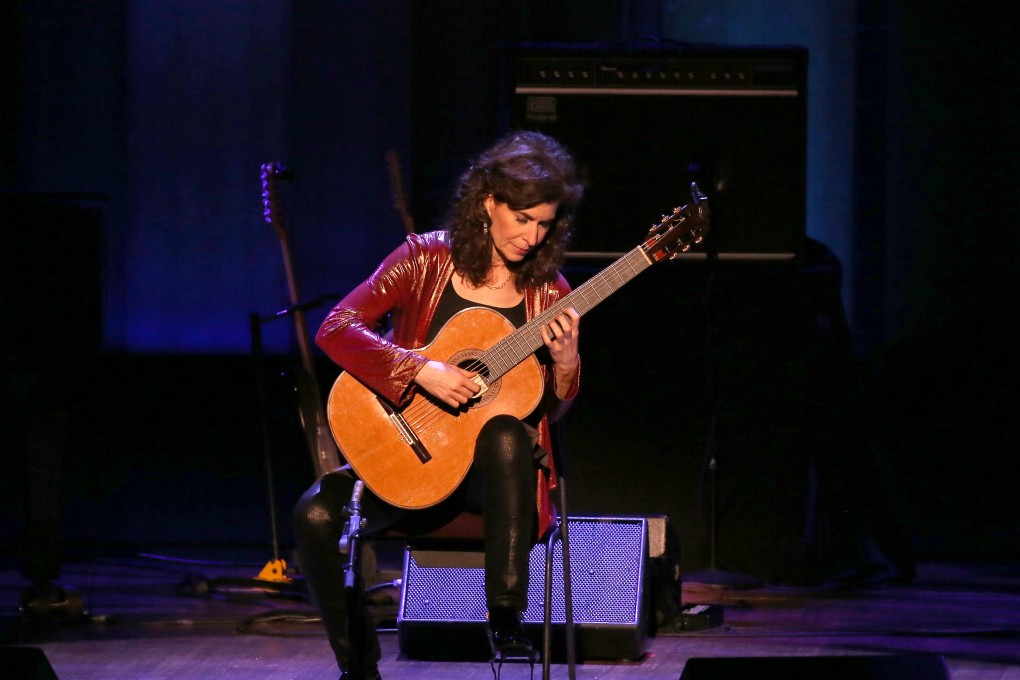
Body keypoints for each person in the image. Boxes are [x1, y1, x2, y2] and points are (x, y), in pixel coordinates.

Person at [293, 130, 585, 680]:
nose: (532, 235)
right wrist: (420, 370)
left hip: (493, 487)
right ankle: (358, 668)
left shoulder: (550, 292)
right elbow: (336, 328)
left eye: (545, 223)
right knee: (313, 513)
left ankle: (504, 614)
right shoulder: (424, 260)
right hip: (414, 459)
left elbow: (555, 415)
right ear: (488, 203)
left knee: (503, 433)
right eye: (522, 218)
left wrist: (566, 365)